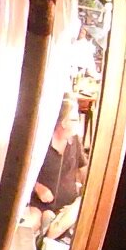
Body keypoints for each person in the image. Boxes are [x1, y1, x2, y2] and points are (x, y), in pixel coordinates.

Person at [27, 97, 88, 240]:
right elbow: (23, 174)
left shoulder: (75, 141)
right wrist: (38, 187)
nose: (78, 124)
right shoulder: (41, 143)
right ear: (63, 122)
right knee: (30, 225)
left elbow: (84, 168)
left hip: (67, 206)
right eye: (74, 120)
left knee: (67, 221)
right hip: (39, 204)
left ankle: (49, 235)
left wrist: (87, 192)